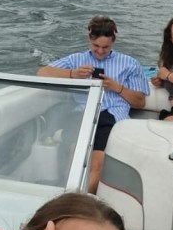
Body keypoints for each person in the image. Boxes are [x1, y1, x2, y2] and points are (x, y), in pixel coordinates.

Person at [37, 15, 149, 192]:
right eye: (96, 46)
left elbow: (140, 102)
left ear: (113, 41)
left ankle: (77, 200)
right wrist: (73, 74)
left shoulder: (130, 64)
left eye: (106, 47)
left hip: (112, 115)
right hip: (83, 113)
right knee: (74, 154)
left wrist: (117, 87)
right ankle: (68, 196)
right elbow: (42, 72)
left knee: (97, 162)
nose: (100, 51)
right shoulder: (77, 60)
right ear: (89, 37)